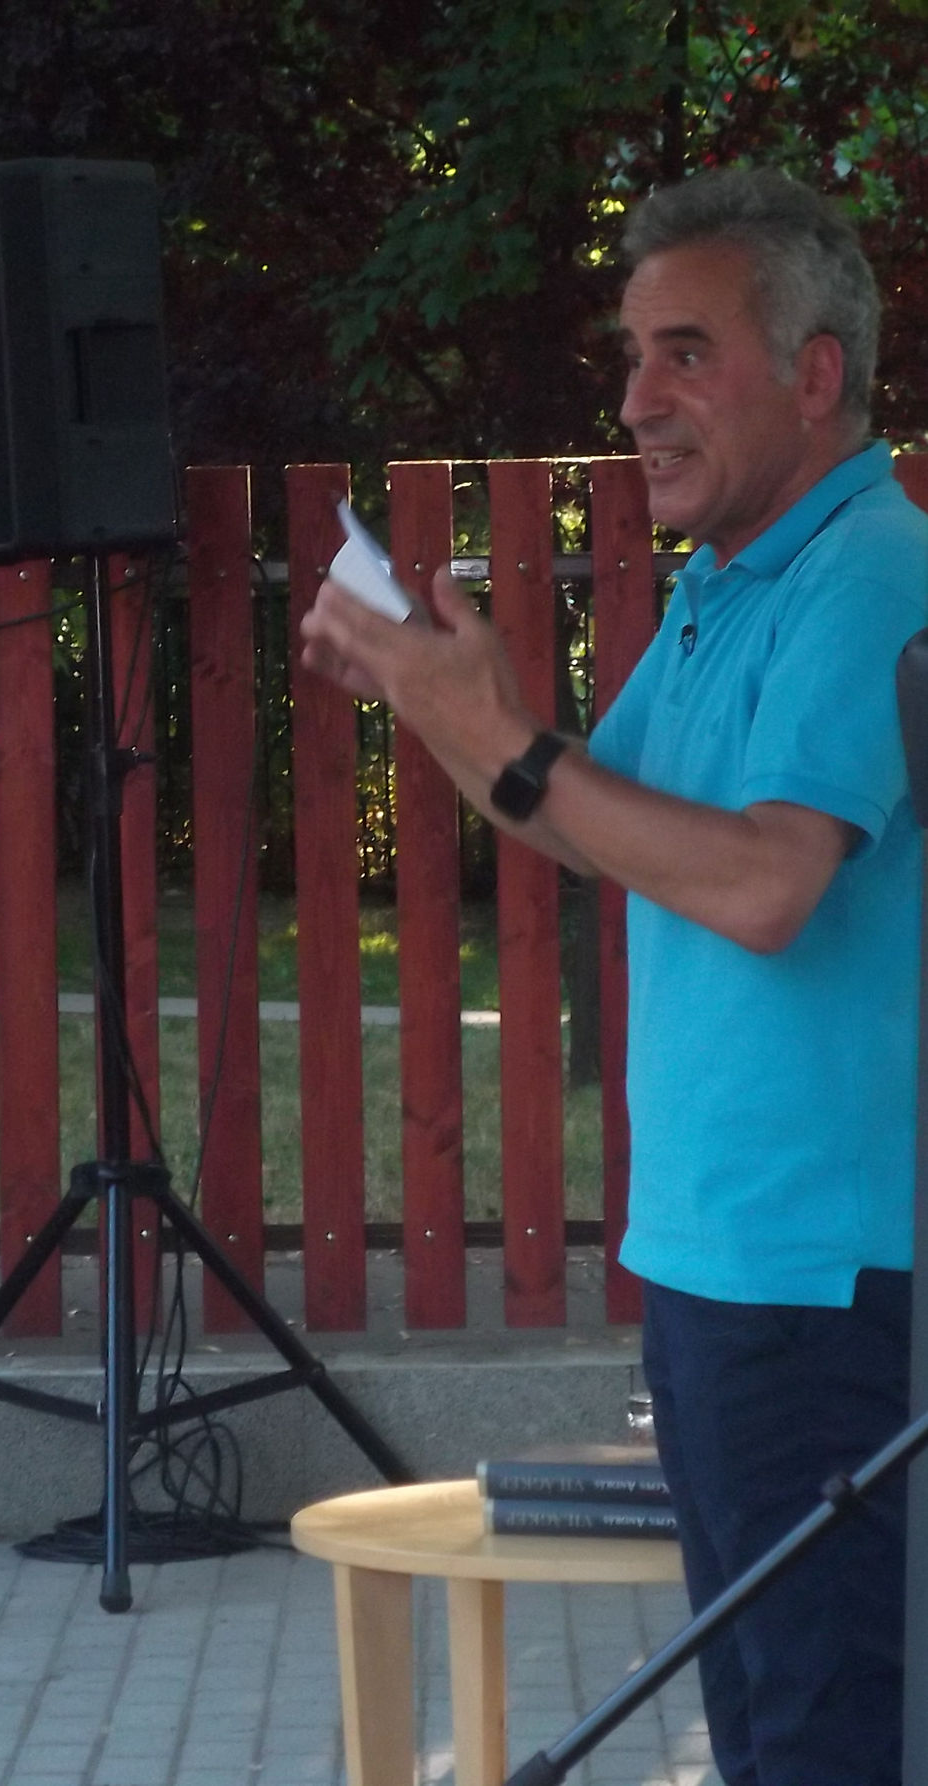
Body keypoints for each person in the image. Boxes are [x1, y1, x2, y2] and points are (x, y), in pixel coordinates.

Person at [301, 168, 924, 1786]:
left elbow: (766, 882)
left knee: (828, 1736)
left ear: (815, 373)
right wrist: (449, 703)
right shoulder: (735, 581)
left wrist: (498, 736)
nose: (638, 399)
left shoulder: (871, 573)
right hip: (724, 1263)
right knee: (769, 1726)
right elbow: (593, 825)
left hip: (825, 1284)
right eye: (633, 355)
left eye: (685, 353)